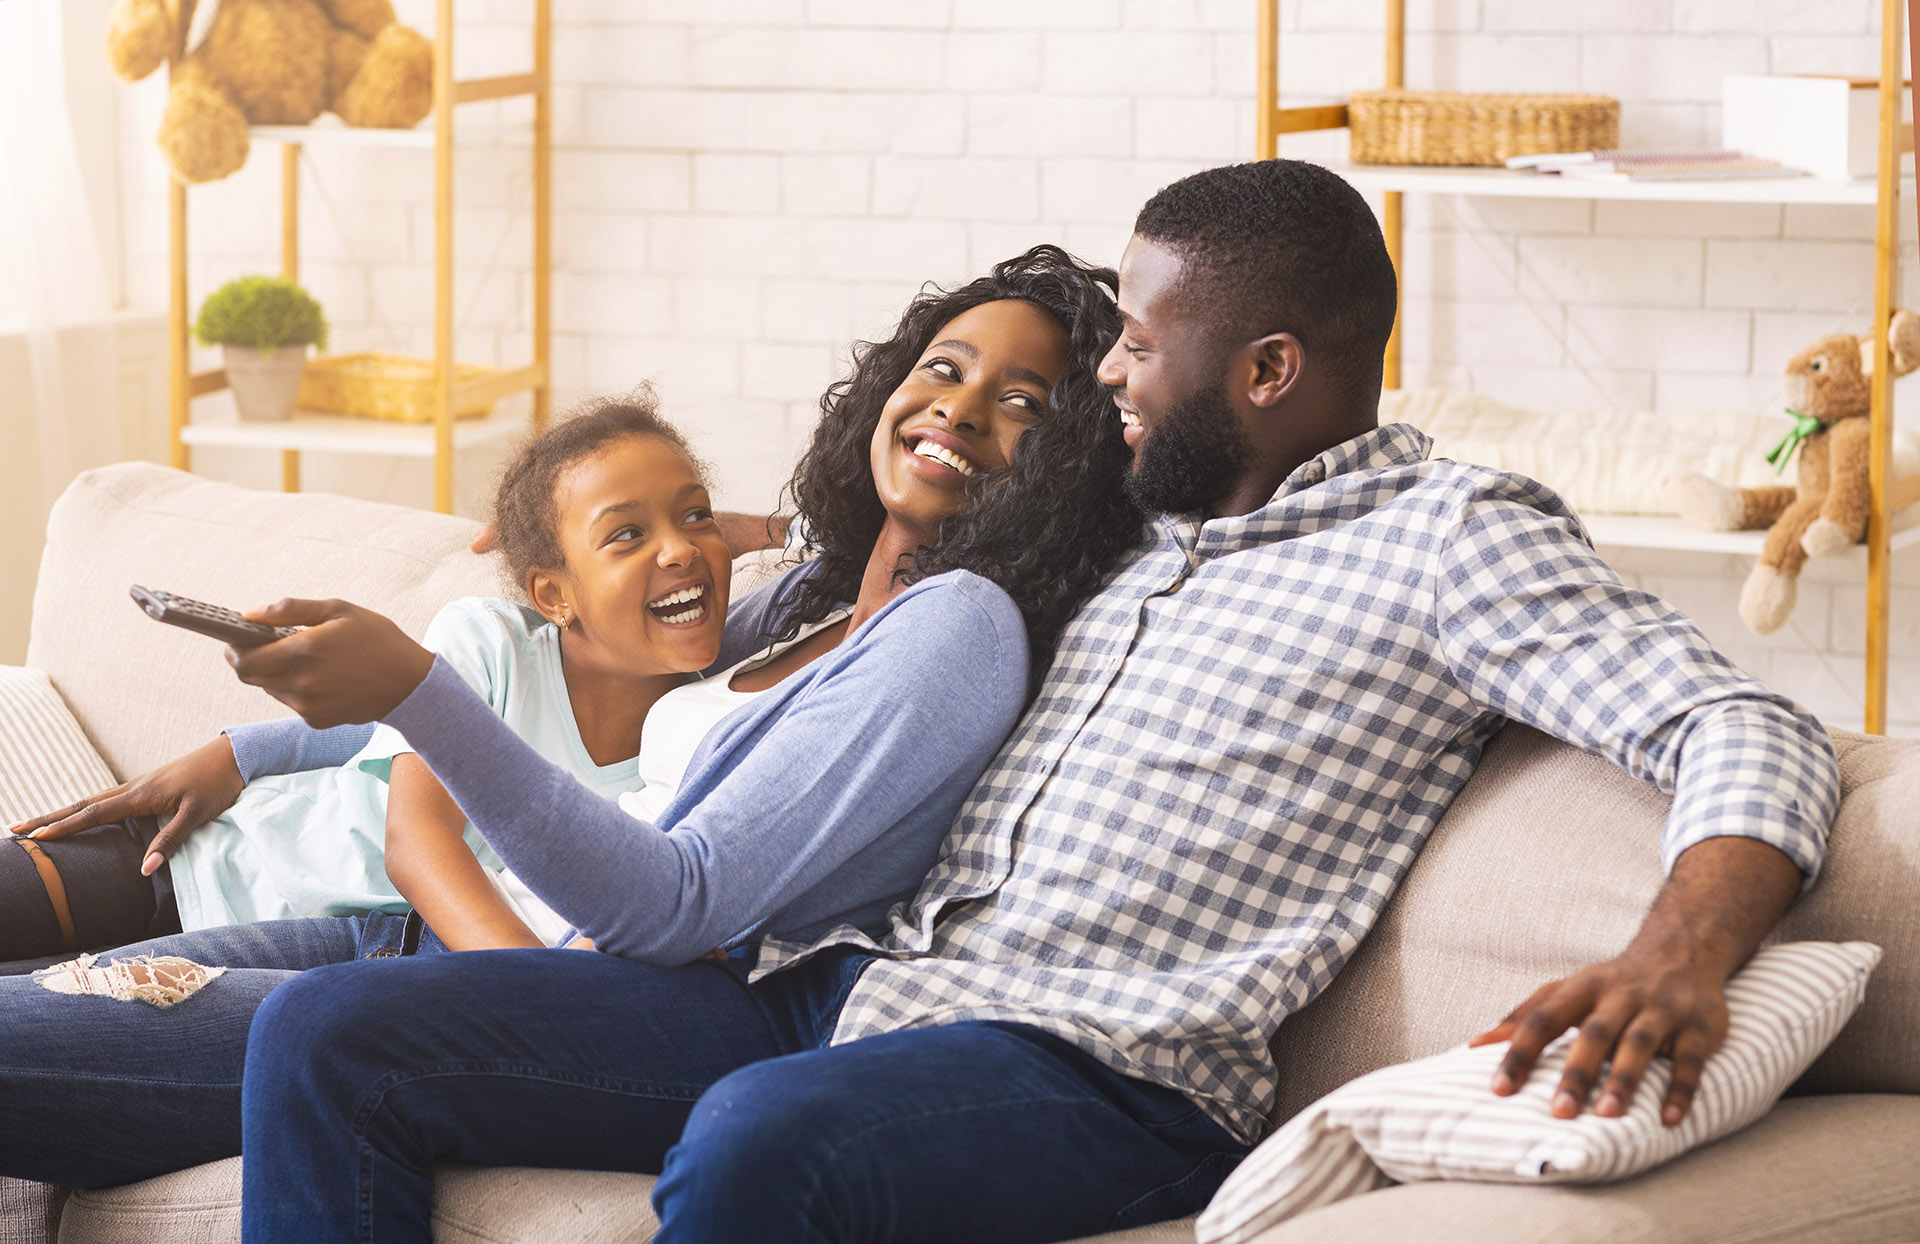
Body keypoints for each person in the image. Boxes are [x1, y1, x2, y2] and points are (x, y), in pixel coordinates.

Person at [213, 159, 1838, 1244]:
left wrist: (1674, 947)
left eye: (1138, 341)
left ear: (1268, 369)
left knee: (768, 1139)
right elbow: (814, 582)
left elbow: (1736, 722)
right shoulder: (1119, 527)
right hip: (853, 992)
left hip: (1102, 1066)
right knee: (333, 1029)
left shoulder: (1448, 540)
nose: (1113, 373)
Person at [0, 245, 1141, 1187]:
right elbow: (581, 663)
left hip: (574, 993)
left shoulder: (963, 627)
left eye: (1022, 401)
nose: (959, 403)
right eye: (943, 366)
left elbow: (680, 895)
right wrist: (253, 743)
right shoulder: (814, 595)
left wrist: (412, 685)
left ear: (1072, 455)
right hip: (411, 929)